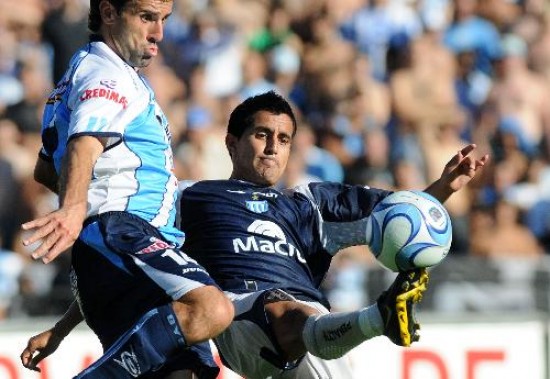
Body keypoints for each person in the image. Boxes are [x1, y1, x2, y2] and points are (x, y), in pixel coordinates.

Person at [22, 91, 489, 378]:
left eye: (284, 139)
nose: (272, 148)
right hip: (240, 317)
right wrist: (63, 330)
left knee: (304, 316)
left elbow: (399, 221)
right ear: (233, 142)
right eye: (262, 135)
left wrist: (443, 188)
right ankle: (378, 317)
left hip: (318, 329)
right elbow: (140, 265)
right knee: (287, 310)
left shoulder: (310, 202)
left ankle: (372, 320)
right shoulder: (189, 196)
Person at [19, 1, 233, 378]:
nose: (159, 33)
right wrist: (75, 208)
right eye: (147, 17)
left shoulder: (87, 71)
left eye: (164, 20)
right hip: (124, 232)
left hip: (124, 251)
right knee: (210, 308)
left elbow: (47, 168)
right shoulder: (107, 74)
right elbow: (83, 144)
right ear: (109, 12)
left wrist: (63, 327)